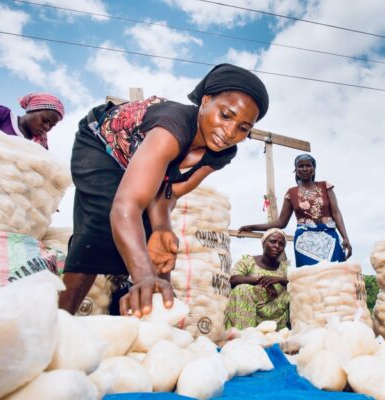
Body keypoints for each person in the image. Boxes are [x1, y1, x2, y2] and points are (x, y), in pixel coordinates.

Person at [58, 64, 269, 318]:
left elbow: (169, 191)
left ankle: (153, 321)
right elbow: (126, 206)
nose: (230, 132)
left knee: (156, 241)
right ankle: (60, 320)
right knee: (102, 225)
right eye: (225, 115)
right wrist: (144, 277)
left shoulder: (223, 152)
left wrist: (161, 229)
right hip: (102, 146)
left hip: (136, 166)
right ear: (205, 101)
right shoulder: (173, 126)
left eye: (243, 128)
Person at [239, 154, 351, 267]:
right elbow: (281, 222)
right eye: (301, 166)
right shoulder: (291, 193)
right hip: (305, 242)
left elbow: (336, 213)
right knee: (309, 277)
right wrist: (253, 227)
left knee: (337, 272)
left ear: (314, 169)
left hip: (330, 237)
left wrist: (345, 238)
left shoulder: (325, 187)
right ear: (296, 170)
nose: (305, 169)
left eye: (308, 165)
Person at [225, 228, 290, 330]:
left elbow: (297, 283)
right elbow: (233, 279)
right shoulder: (248, 261)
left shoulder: (285, 268)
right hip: (248, 308)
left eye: (281, 244)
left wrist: (279, 279)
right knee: (241, 289)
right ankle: (245, 335)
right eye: (272, 241)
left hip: (276, 311)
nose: (277, 246)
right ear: (263, 243)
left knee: (293, 295)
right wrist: (262, 281)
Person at [0, 92, 64, 149]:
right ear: (31, 109)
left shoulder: (39, 146)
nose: (46, 127)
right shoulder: (2, 115)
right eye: (44, 120)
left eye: (52, 125)